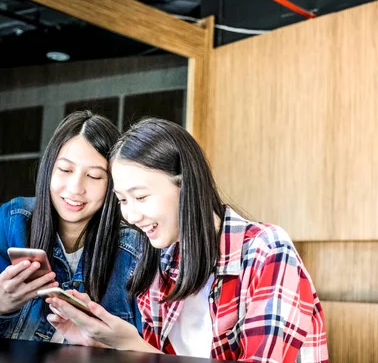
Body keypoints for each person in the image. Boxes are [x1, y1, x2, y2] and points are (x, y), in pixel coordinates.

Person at [45, 118, 329, 362]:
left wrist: (133, 346)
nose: (130, 215)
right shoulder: (161, 261)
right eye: (122, 200)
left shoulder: (266, 251)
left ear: (185, 184)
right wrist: (101, 345)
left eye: (141, 197)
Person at [0, 111, 142, 342]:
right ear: (49, 169)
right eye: (65, 170)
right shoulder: (11, 222)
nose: (76, 188)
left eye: (94, 176)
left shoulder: (135, 250)